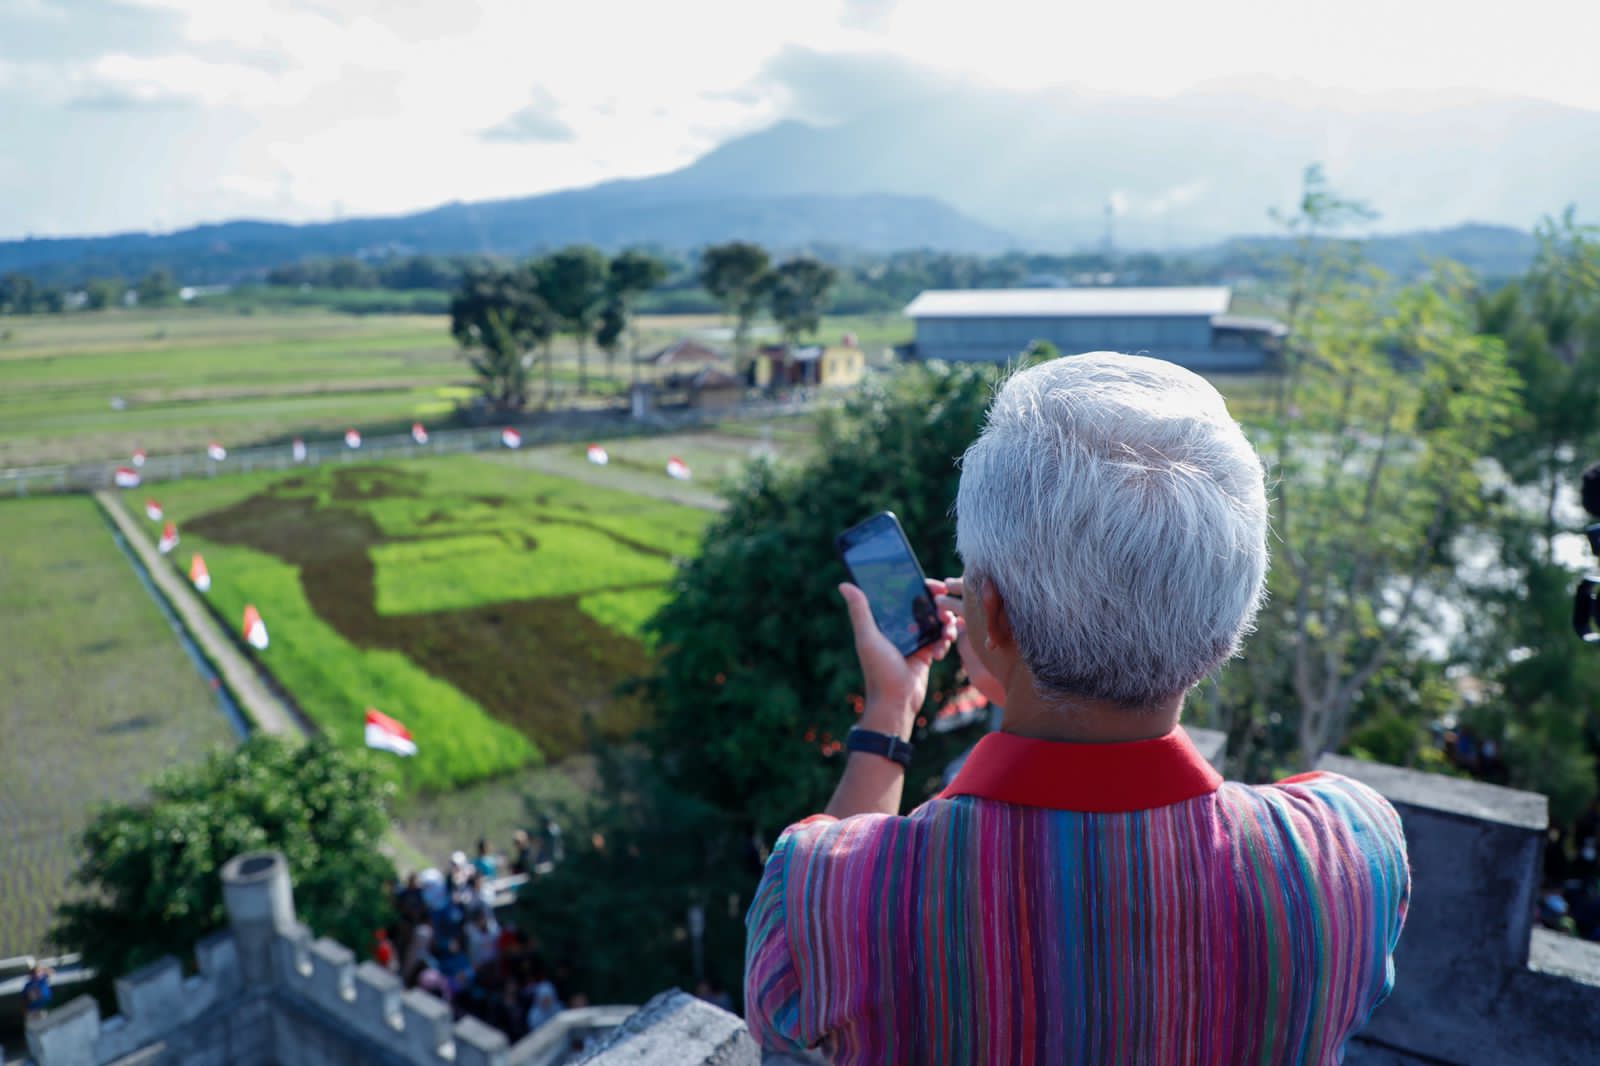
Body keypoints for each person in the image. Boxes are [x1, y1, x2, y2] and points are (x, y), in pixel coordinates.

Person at [743, 353, 1412, 1065]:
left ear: (988, 615)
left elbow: (795, 991)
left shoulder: (826, 892)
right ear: (1230, 618)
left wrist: (891, 712)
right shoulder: (1350, 853)